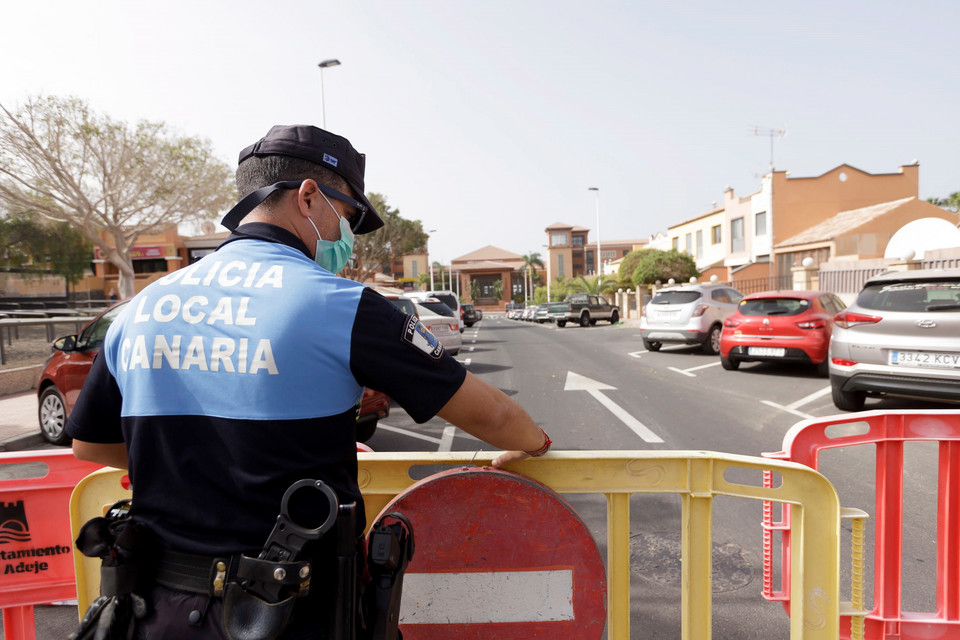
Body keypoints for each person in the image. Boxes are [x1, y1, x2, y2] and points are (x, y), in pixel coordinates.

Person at [66, 124, 550, 639]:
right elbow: (493, 415)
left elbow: (90, 444)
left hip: (155, 612)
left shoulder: (144, 308)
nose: (346, 238)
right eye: (346, 217)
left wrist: (200, 461)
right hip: (291, 614)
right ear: (309, 196)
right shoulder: (341, 304)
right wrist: (532, 444)